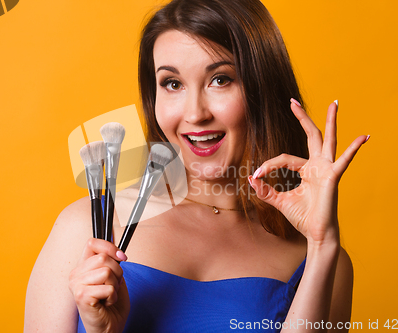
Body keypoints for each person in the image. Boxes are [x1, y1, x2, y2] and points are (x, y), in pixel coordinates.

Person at [24, 0, 368, 332]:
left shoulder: (322, 259)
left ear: (262, 89)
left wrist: (322, 245)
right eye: (172, 84)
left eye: (220, 79)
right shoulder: (84, 227)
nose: (194, 114)